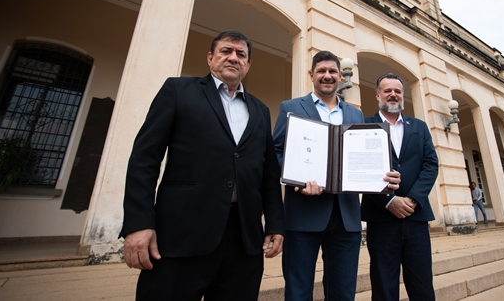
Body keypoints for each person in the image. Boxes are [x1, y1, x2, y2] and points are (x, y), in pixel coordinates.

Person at [120, 30, 285, 301]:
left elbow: (268, 174)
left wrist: (276, 224)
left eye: (241, 54)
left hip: (243, 240)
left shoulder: (260, 110)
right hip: (181, 236)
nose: (233, 58)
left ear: (248, 65)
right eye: (226, 51)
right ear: (210, 58)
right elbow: (144, 160)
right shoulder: (177, 91)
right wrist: (138, 223)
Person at [272, 51, 400, 301]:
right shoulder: (290, 107)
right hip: (302, 215)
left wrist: (382, 176)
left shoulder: (355, 114)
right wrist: (296, 180)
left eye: (332, 71)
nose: (327, 76)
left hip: (346, 218)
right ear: (311, 75)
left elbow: (363, 158)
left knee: (343, 292)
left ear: (341, 76)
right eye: (321, 71)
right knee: (298, 291)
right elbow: (276, 152)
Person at [361, 73, 439, 301]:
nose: (393, 95)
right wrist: (388, 201)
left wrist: (412, 199)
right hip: (381, 219)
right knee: (384, 286)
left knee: (422, 285)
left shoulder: (420, 127)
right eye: (387, 91)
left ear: (403, 96)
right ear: (378, 95)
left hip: (416, 219)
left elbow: (430, 165)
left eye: (397, 91)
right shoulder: (365, 125)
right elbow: (360, 169)